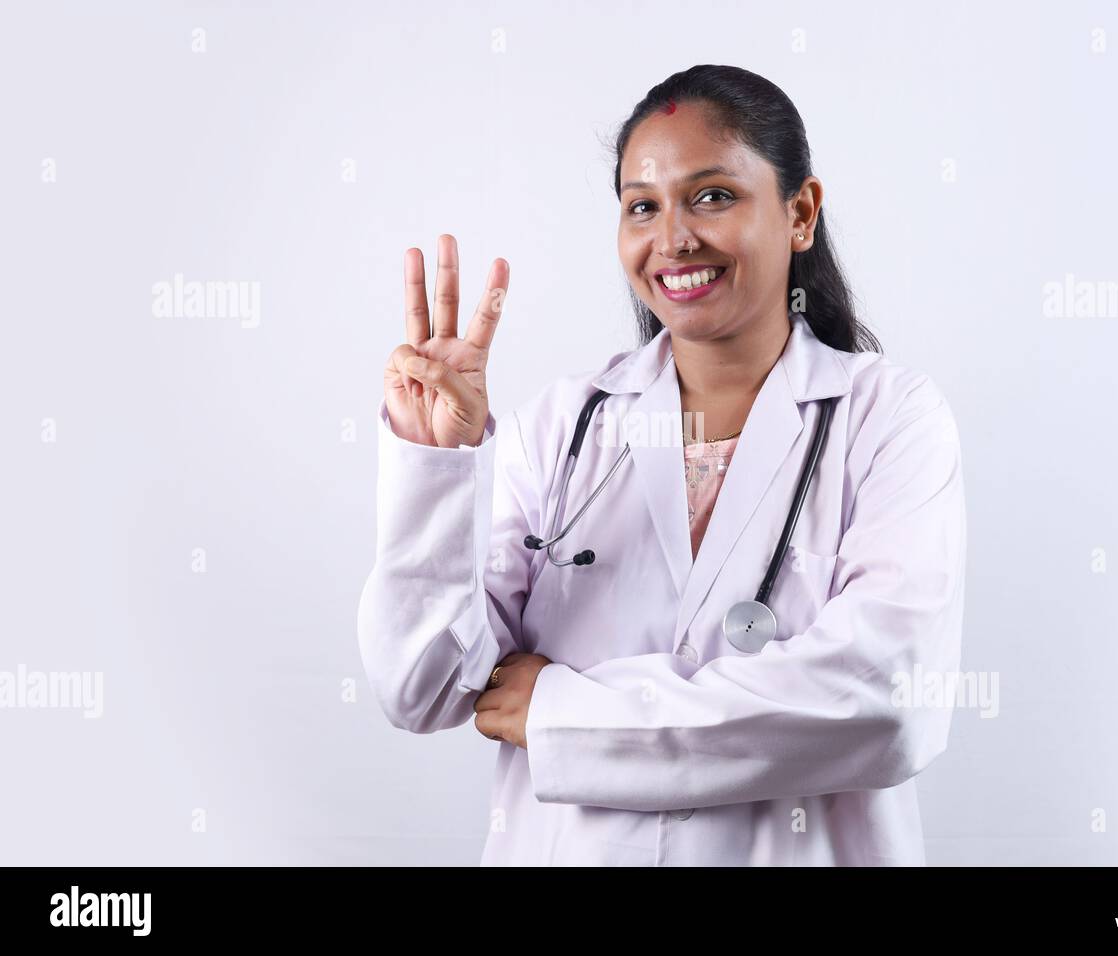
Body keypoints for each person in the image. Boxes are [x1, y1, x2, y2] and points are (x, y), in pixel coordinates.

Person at [357, 64, 966, 866]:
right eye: (642, 206)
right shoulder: (562, 428)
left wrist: (565, 713)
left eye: (712, 195)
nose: (673, 238)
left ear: (800, 212)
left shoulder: (887, 420)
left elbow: (888, 703)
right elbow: (425, 686)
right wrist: (437, 463)